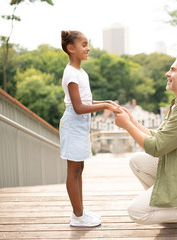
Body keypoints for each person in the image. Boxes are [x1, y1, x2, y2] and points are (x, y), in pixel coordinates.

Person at [114, 53, 177, 236]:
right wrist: (132, 121)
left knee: (136, 212)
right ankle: (175, 213)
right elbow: (159, 137)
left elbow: (157, 148)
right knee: (137, 161)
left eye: (172, 69)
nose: (167, 73)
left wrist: (127, 126)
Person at [59, 30, 120, 227]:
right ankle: (77, 216)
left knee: (79, 168)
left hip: (81, 125)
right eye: (84, 44)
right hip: (73, 124)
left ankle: (80, 210)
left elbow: (87, 101)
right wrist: (105, 106)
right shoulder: (70, 73)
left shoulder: (80, 72)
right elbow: (78, 107)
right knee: (73, 169)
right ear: (71, 48)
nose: (88, 48)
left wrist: (106, 102)